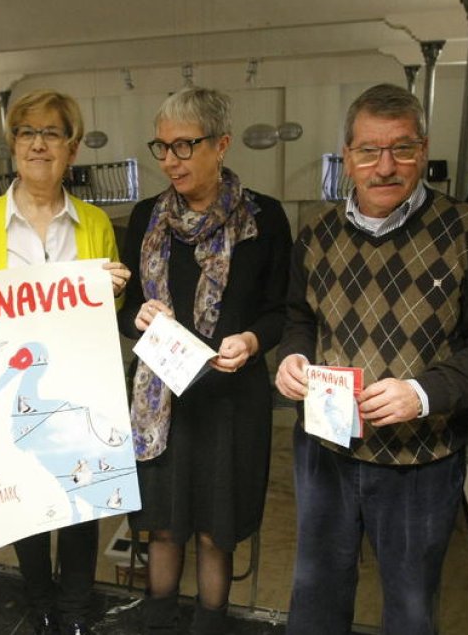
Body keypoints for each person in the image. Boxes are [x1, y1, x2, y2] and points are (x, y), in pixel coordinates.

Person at [275, 83, 468, 635]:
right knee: (315, 590)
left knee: (410, 605)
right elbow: (300, 317)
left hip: (421, 460)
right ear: (348, 156)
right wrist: (293, 357)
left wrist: (424, 392)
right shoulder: (315, 233)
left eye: (402, 149)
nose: (385, 166)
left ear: (424, 149)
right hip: (325, 449)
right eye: (368, 150)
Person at [0, 89, 131, 635]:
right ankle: (40, 601)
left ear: (72, 148)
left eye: (52, 133)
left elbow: (105, 308)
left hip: (81, 387)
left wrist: (113, 287)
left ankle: (73, 608)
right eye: (27, 133)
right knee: (24, 498)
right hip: (16, 386)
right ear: (12, 145)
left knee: (83, 497)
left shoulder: (94, 223)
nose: (38, 144)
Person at [119, 86, 291, 635]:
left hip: (230, 404)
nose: (169, 160)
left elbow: (278, 310)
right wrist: (138, 317)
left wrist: (252, 341)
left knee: (217, 531)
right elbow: (124, 312)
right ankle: (157, 624)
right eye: (162, 147)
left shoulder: (264, 219)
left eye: (184, 146)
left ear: (221, 145)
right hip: (161, 401)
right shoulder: (146, 217)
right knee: (165, 528)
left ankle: (210, 626)